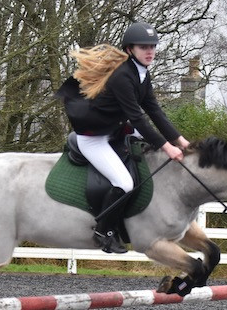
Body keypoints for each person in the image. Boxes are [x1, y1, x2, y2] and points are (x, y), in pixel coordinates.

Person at [56, 22, 191, 253]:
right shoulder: (122, 77)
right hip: (94, 138)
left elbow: (155, 111)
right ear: (130, 49)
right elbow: (139, 120)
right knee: (124, 183)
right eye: (143, 47)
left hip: (116, 129)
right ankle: (104, 231)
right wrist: (168, 148)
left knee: (149, 148)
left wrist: (182, 141)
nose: (150, 51)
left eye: (153, 46)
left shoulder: (141, 75)